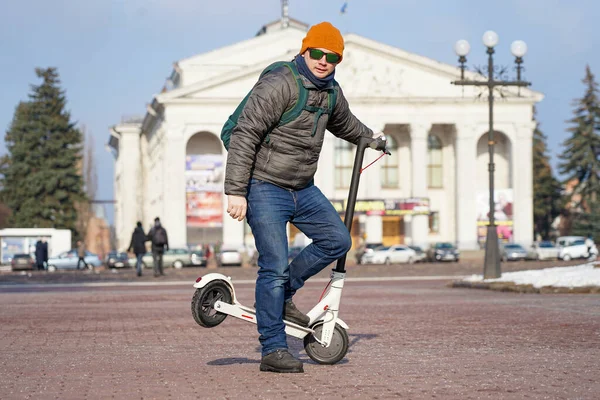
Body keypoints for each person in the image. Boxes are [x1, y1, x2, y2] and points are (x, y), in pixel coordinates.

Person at [224, 22, 375, 373]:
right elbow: (245, 133)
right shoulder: (280, 83)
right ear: (305, 51)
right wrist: (235, 190)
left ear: (338, 59)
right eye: (318, 53)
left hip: (302, 188)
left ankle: (282, 296)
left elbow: (345, 123)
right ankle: (273, 349)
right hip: (264, 186)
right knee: (273, 265)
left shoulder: (330, 91)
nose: (323, 61)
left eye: (332, 56)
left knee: (337, 240)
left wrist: (371, 139)